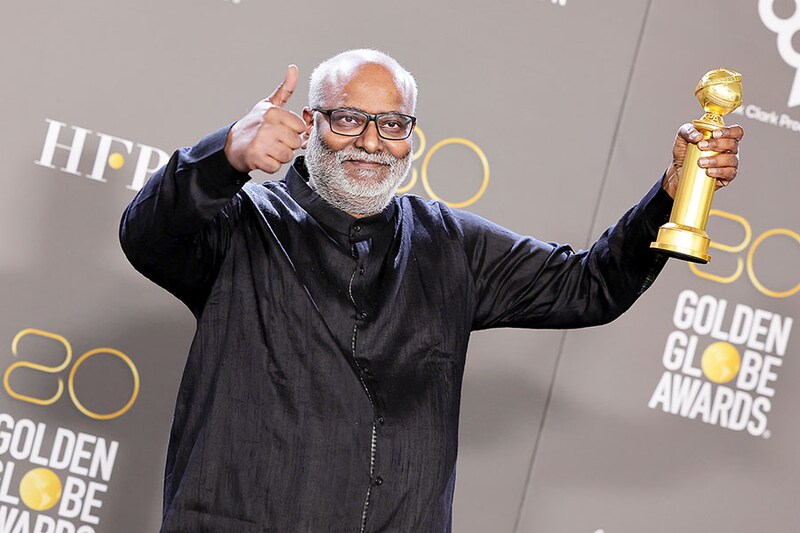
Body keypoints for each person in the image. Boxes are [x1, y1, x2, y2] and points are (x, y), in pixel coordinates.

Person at [119, 49, 743, 533]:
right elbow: (147, 234)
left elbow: (590, 285)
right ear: (309, 124)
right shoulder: (242, 227)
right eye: (348, 119)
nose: (370, 142)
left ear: (411, 135)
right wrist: (224, 156)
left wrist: (672, 191)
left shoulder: (451, 245)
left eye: (391, 124)